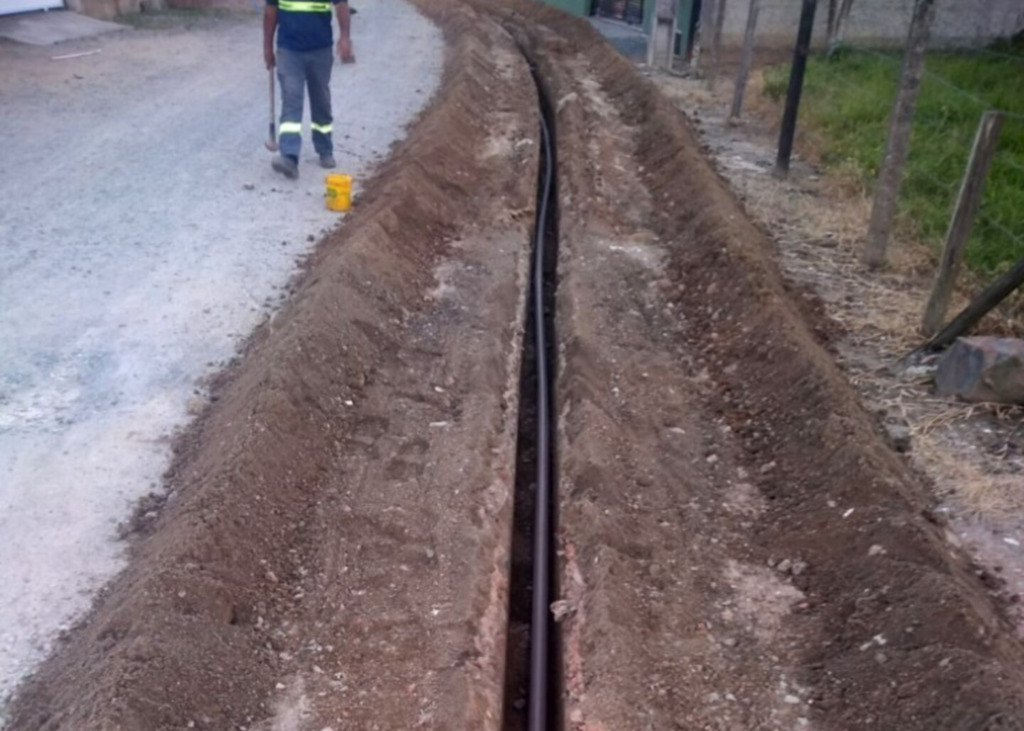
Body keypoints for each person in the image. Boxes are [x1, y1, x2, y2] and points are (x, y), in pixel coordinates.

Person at [263, 0, 355, 179]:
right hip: (289, 50)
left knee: (320, 99)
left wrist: (345, 37)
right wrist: (267, 47)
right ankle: (289, 156)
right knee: (291, 98)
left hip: (320, 49)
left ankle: (325, 149)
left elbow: (341, 5)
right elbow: (270, 12)